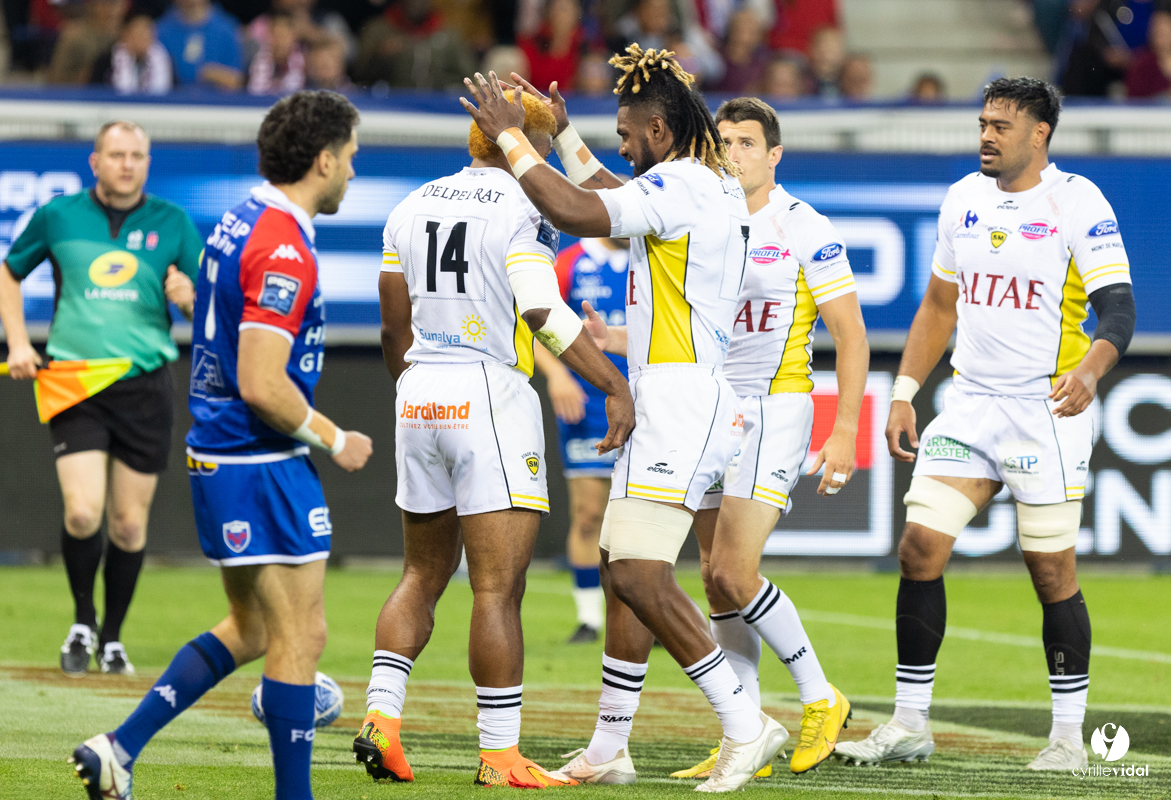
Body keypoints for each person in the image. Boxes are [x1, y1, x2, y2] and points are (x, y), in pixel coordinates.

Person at [464, 48, 790, 792]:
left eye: (626, 134)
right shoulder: (699, 182)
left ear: (660, 130)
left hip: (683, 402)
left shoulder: (685, 184)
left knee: (642, 574)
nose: (620, 147)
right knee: (619, 570)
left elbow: (578, 211)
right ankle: (610, 746)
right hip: (669, 394)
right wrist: (563, 136)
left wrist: (512, 136)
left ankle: (745, 725)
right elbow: (609, 192)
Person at [70, 91, 372, 800]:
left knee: (253, 627)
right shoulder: (283, 246)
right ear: (323, 161)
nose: (353, 171)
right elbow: (263, 383)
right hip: (259, 458)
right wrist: (336, 437)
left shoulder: (241, 218)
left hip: (220, 452)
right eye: (350, 157)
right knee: (302, 636)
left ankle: (117, 749)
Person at [835, 77, 1135, 771]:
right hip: (969, 404)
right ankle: (910, 724)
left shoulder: (1077, 201)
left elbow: (1119, 308)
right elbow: (939, 306)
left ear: (1040, 134)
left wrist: (1090, 372)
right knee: (918, 548)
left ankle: (1068, 740)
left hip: (1045, 410)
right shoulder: (962, 198)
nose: (986, 136)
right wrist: (905, 391)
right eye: (983, 123)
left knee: (1051, 570)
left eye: (1001, 125)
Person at [353, 88, 633, 788]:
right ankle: (500, 754)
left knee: (421, 574)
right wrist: (612, 382)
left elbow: (392, 326)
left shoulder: (411, 204)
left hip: (419, 390)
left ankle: (382, 719)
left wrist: (413, 388)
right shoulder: (525, 206)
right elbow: (541, 309)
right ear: (524, 145)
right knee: (497, 588)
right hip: (488, 392)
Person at [670, 96, 868, 781]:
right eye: (722, 141)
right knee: (714, 580)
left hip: (773, 408)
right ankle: (746, 731)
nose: (732, 153)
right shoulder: (704, 219)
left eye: (747, 142)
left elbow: (851, 335)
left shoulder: (803, 224)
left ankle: (820, 697)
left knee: (733, 571)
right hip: (710, 407)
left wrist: (845, 430)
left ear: (774, 154)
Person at [0, 121, 202, 679]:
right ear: (95, 162)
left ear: (147, 162)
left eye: (137, 155)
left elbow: (209, 307)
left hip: (146, 385)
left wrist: (190, 298)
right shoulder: (57, 216)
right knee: (83, 512)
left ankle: (112, 638)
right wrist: (18, 342)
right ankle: (83, 621)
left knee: (129, 526)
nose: (127, 164)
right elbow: (8, 276)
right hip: (74, 381)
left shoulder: (174, 222)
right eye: (116, 154)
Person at [533, 236, 629, 643]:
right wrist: (557, 375)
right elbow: (533, 324)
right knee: (588, 514)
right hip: (586, 404)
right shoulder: (570, 262)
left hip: (645, 399)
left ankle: (647, 612)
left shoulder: (653, 254)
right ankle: (590, 618)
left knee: (641, 518)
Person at [156, 0, 244, 90]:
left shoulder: (227, 30)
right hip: (174, 97)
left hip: (216, 96)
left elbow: (237, 81)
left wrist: (214, 74)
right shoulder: (161, 31)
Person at [91, 12, 174, 94]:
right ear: (125, 34)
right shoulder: (106, 62)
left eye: (146, 33)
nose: (142, 38)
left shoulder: (165, 60)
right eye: (138, 33)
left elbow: (174, 91)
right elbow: (94, 91)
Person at [48, 0, 127, 84]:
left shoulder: (130, 35)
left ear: (125, 4)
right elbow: (56, 80)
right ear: (92, 4)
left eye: (114, 3)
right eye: (104, 3)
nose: (110, 9)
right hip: (80, 90)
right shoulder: (75, 37)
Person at [247, 10, 306, 94]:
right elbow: (256, 91)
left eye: (283, 36)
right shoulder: (259, 57)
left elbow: (294, 90)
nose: (280, 41)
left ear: (293, 37)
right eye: (276, 35)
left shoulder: (302, 59)